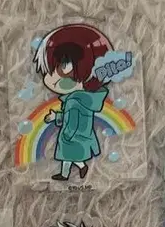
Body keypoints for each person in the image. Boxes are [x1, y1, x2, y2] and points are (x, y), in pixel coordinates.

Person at [32, 23, 113, 182]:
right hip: (78, 136)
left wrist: (68, 134)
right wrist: (56, 117)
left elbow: (72, 120)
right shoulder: (78, 100)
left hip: (74, 137)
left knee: (69, 155)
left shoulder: (75, 101)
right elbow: (69, 116)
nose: (49, 78)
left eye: (60, 70)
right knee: (66, 157)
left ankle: (80, 167)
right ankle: (67, 173)